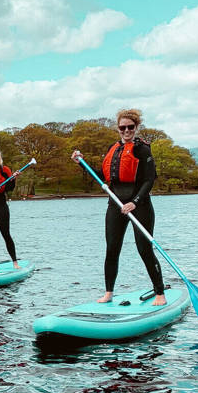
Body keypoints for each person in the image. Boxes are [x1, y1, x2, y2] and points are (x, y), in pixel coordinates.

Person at [72, 108, 166, 305]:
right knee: (112, 249)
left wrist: (134, 202)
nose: (126, 131)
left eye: (130, 127)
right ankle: (108, 292)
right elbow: (102, 175)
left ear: (136, 127)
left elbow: (149, 180)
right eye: (122, 127)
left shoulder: (142, 149)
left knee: (144, 249)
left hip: (140, 205)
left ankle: (160, 293)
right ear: (118, 129)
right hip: (115, 204)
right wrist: (82, 162)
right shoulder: (112, 148)